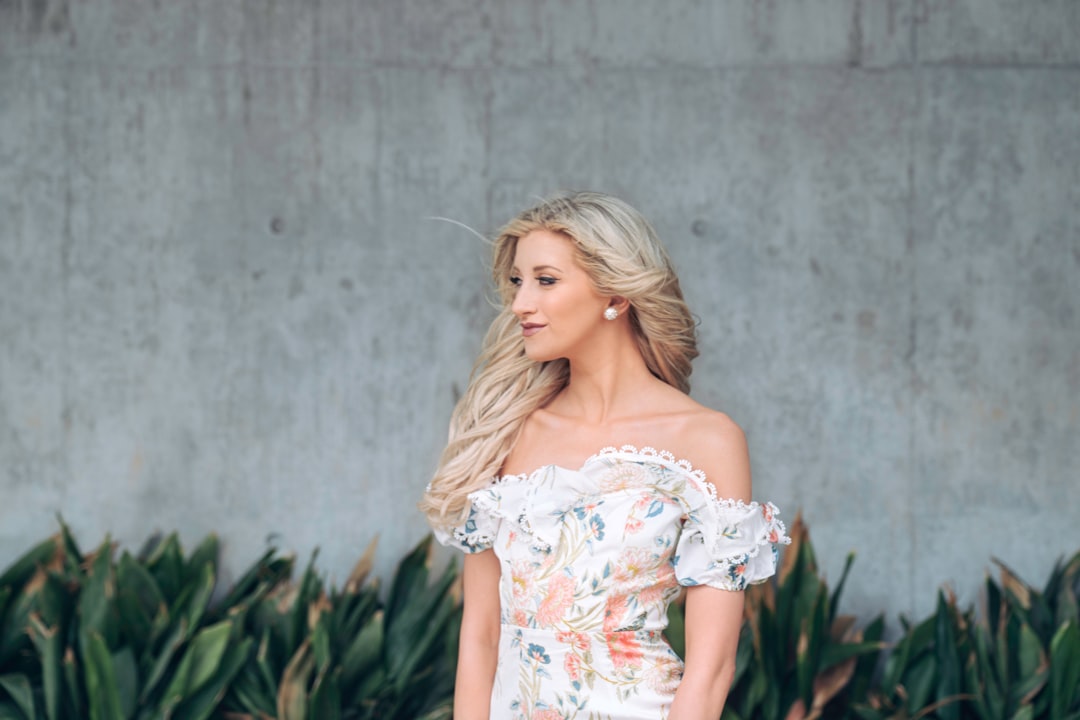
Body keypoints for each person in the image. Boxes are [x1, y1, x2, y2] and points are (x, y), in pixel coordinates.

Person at [421, 192, 789, 720]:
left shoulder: (707, 440)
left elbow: (711, 669)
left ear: (615, 293)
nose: (521, 302)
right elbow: (480, 636)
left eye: (545, 280)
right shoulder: (503, 431)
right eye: (518, 281)